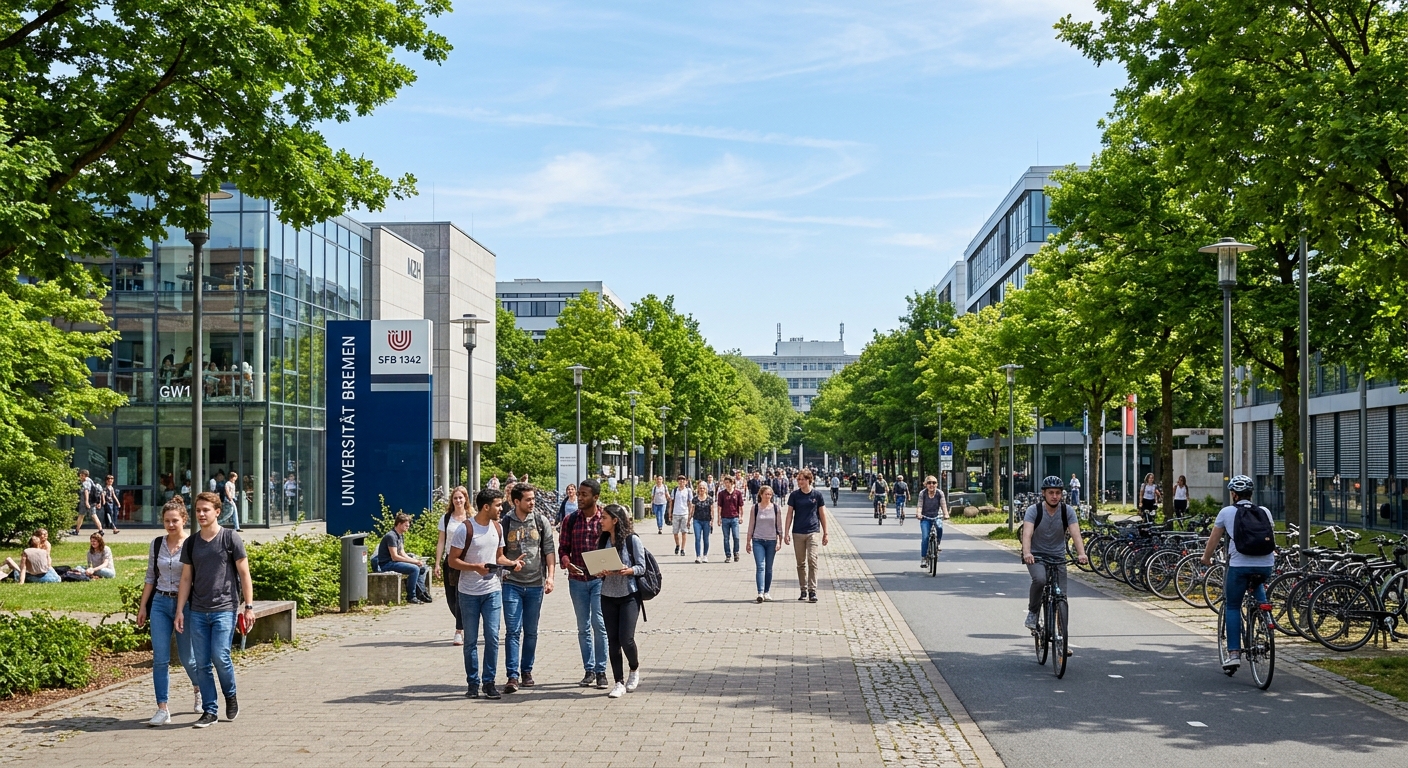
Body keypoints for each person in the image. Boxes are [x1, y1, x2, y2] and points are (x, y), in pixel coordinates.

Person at [175, 491, 255, 728]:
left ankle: (230, 696)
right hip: (197, 610)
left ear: (217, 512)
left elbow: (244, 574)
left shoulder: (230, 538)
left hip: (224, 608)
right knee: (201, 663)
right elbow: (186, 579)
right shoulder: (191, 543)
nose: (200, 514)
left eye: (205, 510)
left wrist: (248, 607)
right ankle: (210, 710)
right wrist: (180, 610)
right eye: (198, 510)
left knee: (220, 656)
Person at [448, 488, 519, 699]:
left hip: (492, 591)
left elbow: (499, 557)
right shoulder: (465, 529)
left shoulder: (497, 528)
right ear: (486, 507)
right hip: (468, 592)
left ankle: (489, 682)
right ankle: (472, 683)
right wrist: (475, 567)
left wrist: (512, 563)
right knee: (470, 641)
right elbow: (453, 560)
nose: (501, 509)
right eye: (498, 505)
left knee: (492, 637)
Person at [1200, 475, 1275, 672]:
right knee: (1258, 587)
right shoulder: (1265, 512)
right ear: (1251, 494)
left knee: (1232, 606)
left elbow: (1213, 541)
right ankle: (1265, 616)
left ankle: (1233, 654)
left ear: (1233, 494)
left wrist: (1206, 559)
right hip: (1266, 565)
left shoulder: (1226, 512)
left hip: (1239, 565)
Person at [136, 498, 199, 726]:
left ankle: (198, 688)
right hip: (161, 603)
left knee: (187, 658)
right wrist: (144, 606)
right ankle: (162, 708)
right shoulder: (157, 544)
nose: (171, 525)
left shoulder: (193, 544)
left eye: (175, 521)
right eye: (166, 521)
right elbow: (150, 577)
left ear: (184, 519)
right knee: (160, 659)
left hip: (187, 605)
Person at [500, 483, 556, 694]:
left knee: (531, 631)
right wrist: (508, 565)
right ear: (516, 502)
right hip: (511, 584)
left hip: (535, 584)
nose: (532, 502)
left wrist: (550, 577)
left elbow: (549, 550)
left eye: (533, 499)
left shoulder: (540, 521)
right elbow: (499, 552)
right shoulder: (505, 523)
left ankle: (527, 671)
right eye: (528, 499)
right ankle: (512, 676)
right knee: (513, 631)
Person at [1020, 476, 1088, 631]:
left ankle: (1061, 639)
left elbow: (1076, 533)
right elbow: (1027, 533)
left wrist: (1081, 553)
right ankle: (1033, 612)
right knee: (1040, 580)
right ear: (1044, 493)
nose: (1055, 496)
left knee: (1062, 597)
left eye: (1058, 493)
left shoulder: (1067, 511)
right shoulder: (1034, 510)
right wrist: (1027, 553)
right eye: (1051, 492)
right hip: (1036, 555)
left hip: (1058, 556)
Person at [592, 504, 646, 698]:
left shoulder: (632, 540)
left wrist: (627, 570)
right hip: (608, 595)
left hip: (629, 595)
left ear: (615, 520)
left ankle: (634, 668)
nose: (601, 521)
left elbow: (642, 567)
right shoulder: (604, 540)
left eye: (604, 517)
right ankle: (618, 682)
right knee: (612, 641)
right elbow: (598, 568)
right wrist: (600, 572)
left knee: (626, 638)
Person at [559, 478, 609, 689]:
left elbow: (616, 545)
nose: (579, 498)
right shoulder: (570, 520)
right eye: (578, 494)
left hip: (600, 579)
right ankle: (588, 670)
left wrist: (609, 565)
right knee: (583, 626)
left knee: (599, 623)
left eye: (584, 495)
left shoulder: (605, 519)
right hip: (577, 579)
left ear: (595, 497)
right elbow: (563, 548)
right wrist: (566, 562)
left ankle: (601, 671)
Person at [784, 470, 829, 603]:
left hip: (813, 531)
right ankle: (803, 589)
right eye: (798, 480)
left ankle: (812, 590)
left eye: (802, 479)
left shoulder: (817, 495)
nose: (800, 482)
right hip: (798, 532)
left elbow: (822, 514)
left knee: (812, 559)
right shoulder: (794, 495)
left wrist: (825, 532)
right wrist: (786, 532)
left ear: (809, 480)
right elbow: (789, 514)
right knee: (801, 563)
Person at [434, 486, 471, 645]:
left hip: (467, 560)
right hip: (450, 560)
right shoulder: (446, 518)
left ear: (465, 499)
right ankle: (468, 622)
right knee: (451, 599)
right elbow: (441, 541)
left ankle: (459, 631)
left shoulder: (472, 517)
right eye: (455, 498)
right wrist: (436, 563)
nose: (458, 501)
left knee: (459, 595)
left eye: (461, 498)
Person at [374, 513, 432, 604]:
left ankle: (421, 591)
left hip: (394, 562)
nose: (408, 527)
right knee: (414, 569)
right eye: (406, 525)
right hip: (387, 564)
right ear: (399, 524)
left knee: (422, 567)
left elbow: (402, 553)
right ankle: (411, 596)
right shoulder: (391, 536)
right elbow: (395, 556)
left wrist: (416, 561)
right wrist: (414, 563)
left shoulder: (400, 535)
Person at [746, 485, 783, 602]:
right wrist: (748, 541)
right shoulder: (755, 508)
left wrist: (779, 541)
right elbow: (751, 525)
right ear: (761, 495)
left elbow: (779, 526)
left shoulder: (776, 508)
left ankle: (767, 591)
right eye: (766, 494)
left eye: (770, 494)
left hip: (772, 541)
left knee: (769, 568)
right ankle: (760, 592)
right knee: (760, 566)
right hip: (758, 540)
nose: (768, 496)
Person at [917, 475, 948, 567]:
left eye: (934, 483)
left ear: (937, 484)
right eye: (929, 483)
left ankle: (937, 543)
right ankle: (923, 558)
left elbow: (943, 505)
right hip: (925, 518)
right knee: (925, 537)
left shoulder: (940, 493)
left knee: (939, 527)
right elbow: (919, 505)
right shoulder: (922, 494)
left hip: (936, 516)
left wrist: (946, 514)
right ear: (925, 484)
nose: (931, 485)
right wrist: (919, 514)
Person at [717, 475, 744, 563]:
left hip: (734, 518)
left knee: (736, 537)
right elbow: (719, 506)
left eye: (728, 483)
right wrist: (719, 518)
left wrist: (741, 517)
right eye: (725, 483)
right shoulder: (721, 494)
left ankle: (736, 552)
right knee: (726, 538)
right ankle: (728, 555)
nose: (727, 484)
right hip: (725, 518)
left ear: (732, 483)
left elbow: (740, 506)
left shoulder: (738, 493)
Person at [689, 480, 715, 563]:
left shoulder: (709, 499)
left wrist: (712, 520)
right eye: (700, 488)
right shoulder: (695, 499)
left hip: (706, 521)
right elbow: (692, 510)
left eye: (703, 488)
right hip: (697, 520)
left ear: (706, 489)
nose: (702, 489)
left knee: (706, 538)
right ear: (698, 489)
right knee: (697, 538)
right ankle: (698, 556)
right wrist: (689, 520)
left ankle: (705, 555)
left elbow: (712, 511)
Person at [73, 468, 101, 536]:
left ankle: (77, 531)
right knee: (94, 515)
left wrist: (86, 502)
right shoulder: (90, 480)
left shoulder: (85, 482)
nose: (80, 477)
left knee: (81, 515)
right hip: (93, 501)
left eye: (81, 475)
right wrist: (98, 502)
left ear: (84, 475)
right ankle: (101, 530)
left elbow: (86, 491)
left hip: (85, 502)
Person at [668, 475, 692, 556]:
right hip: (675, 513)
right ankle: (677, 544)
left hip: (684, 513)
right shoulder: (675, 490)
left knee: (684, 532)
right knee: (675, 532)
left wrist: (690, 514)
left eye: (683, 481)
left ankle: (682, 549)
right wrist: (670, 513)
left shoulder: (688, 490)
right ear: (678, 482)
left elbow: (690, 503)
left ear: (686, 482)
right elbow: (671, 502)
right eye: (680, 481)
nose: (681, 482)